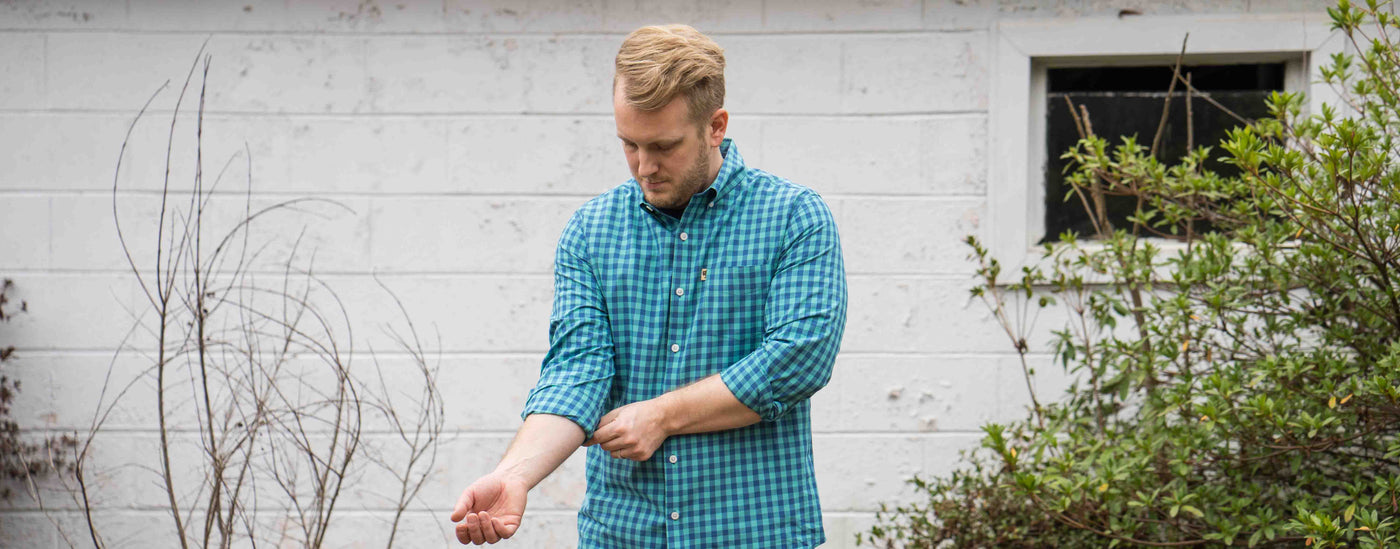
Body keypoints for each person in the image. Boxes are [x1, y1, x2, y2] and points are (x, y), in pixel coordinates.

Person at [450, 24, 847, 547]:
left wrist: (661, 415)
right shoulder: (591, 231)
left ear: (716, 126)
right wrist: (515, 475)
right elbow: (578, 370)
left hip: (754, 532)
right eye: (629, 143)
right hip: (623, 533)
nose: (644, 165)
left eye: (663, 145)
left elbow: (799, 358)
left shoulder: (795, 217)